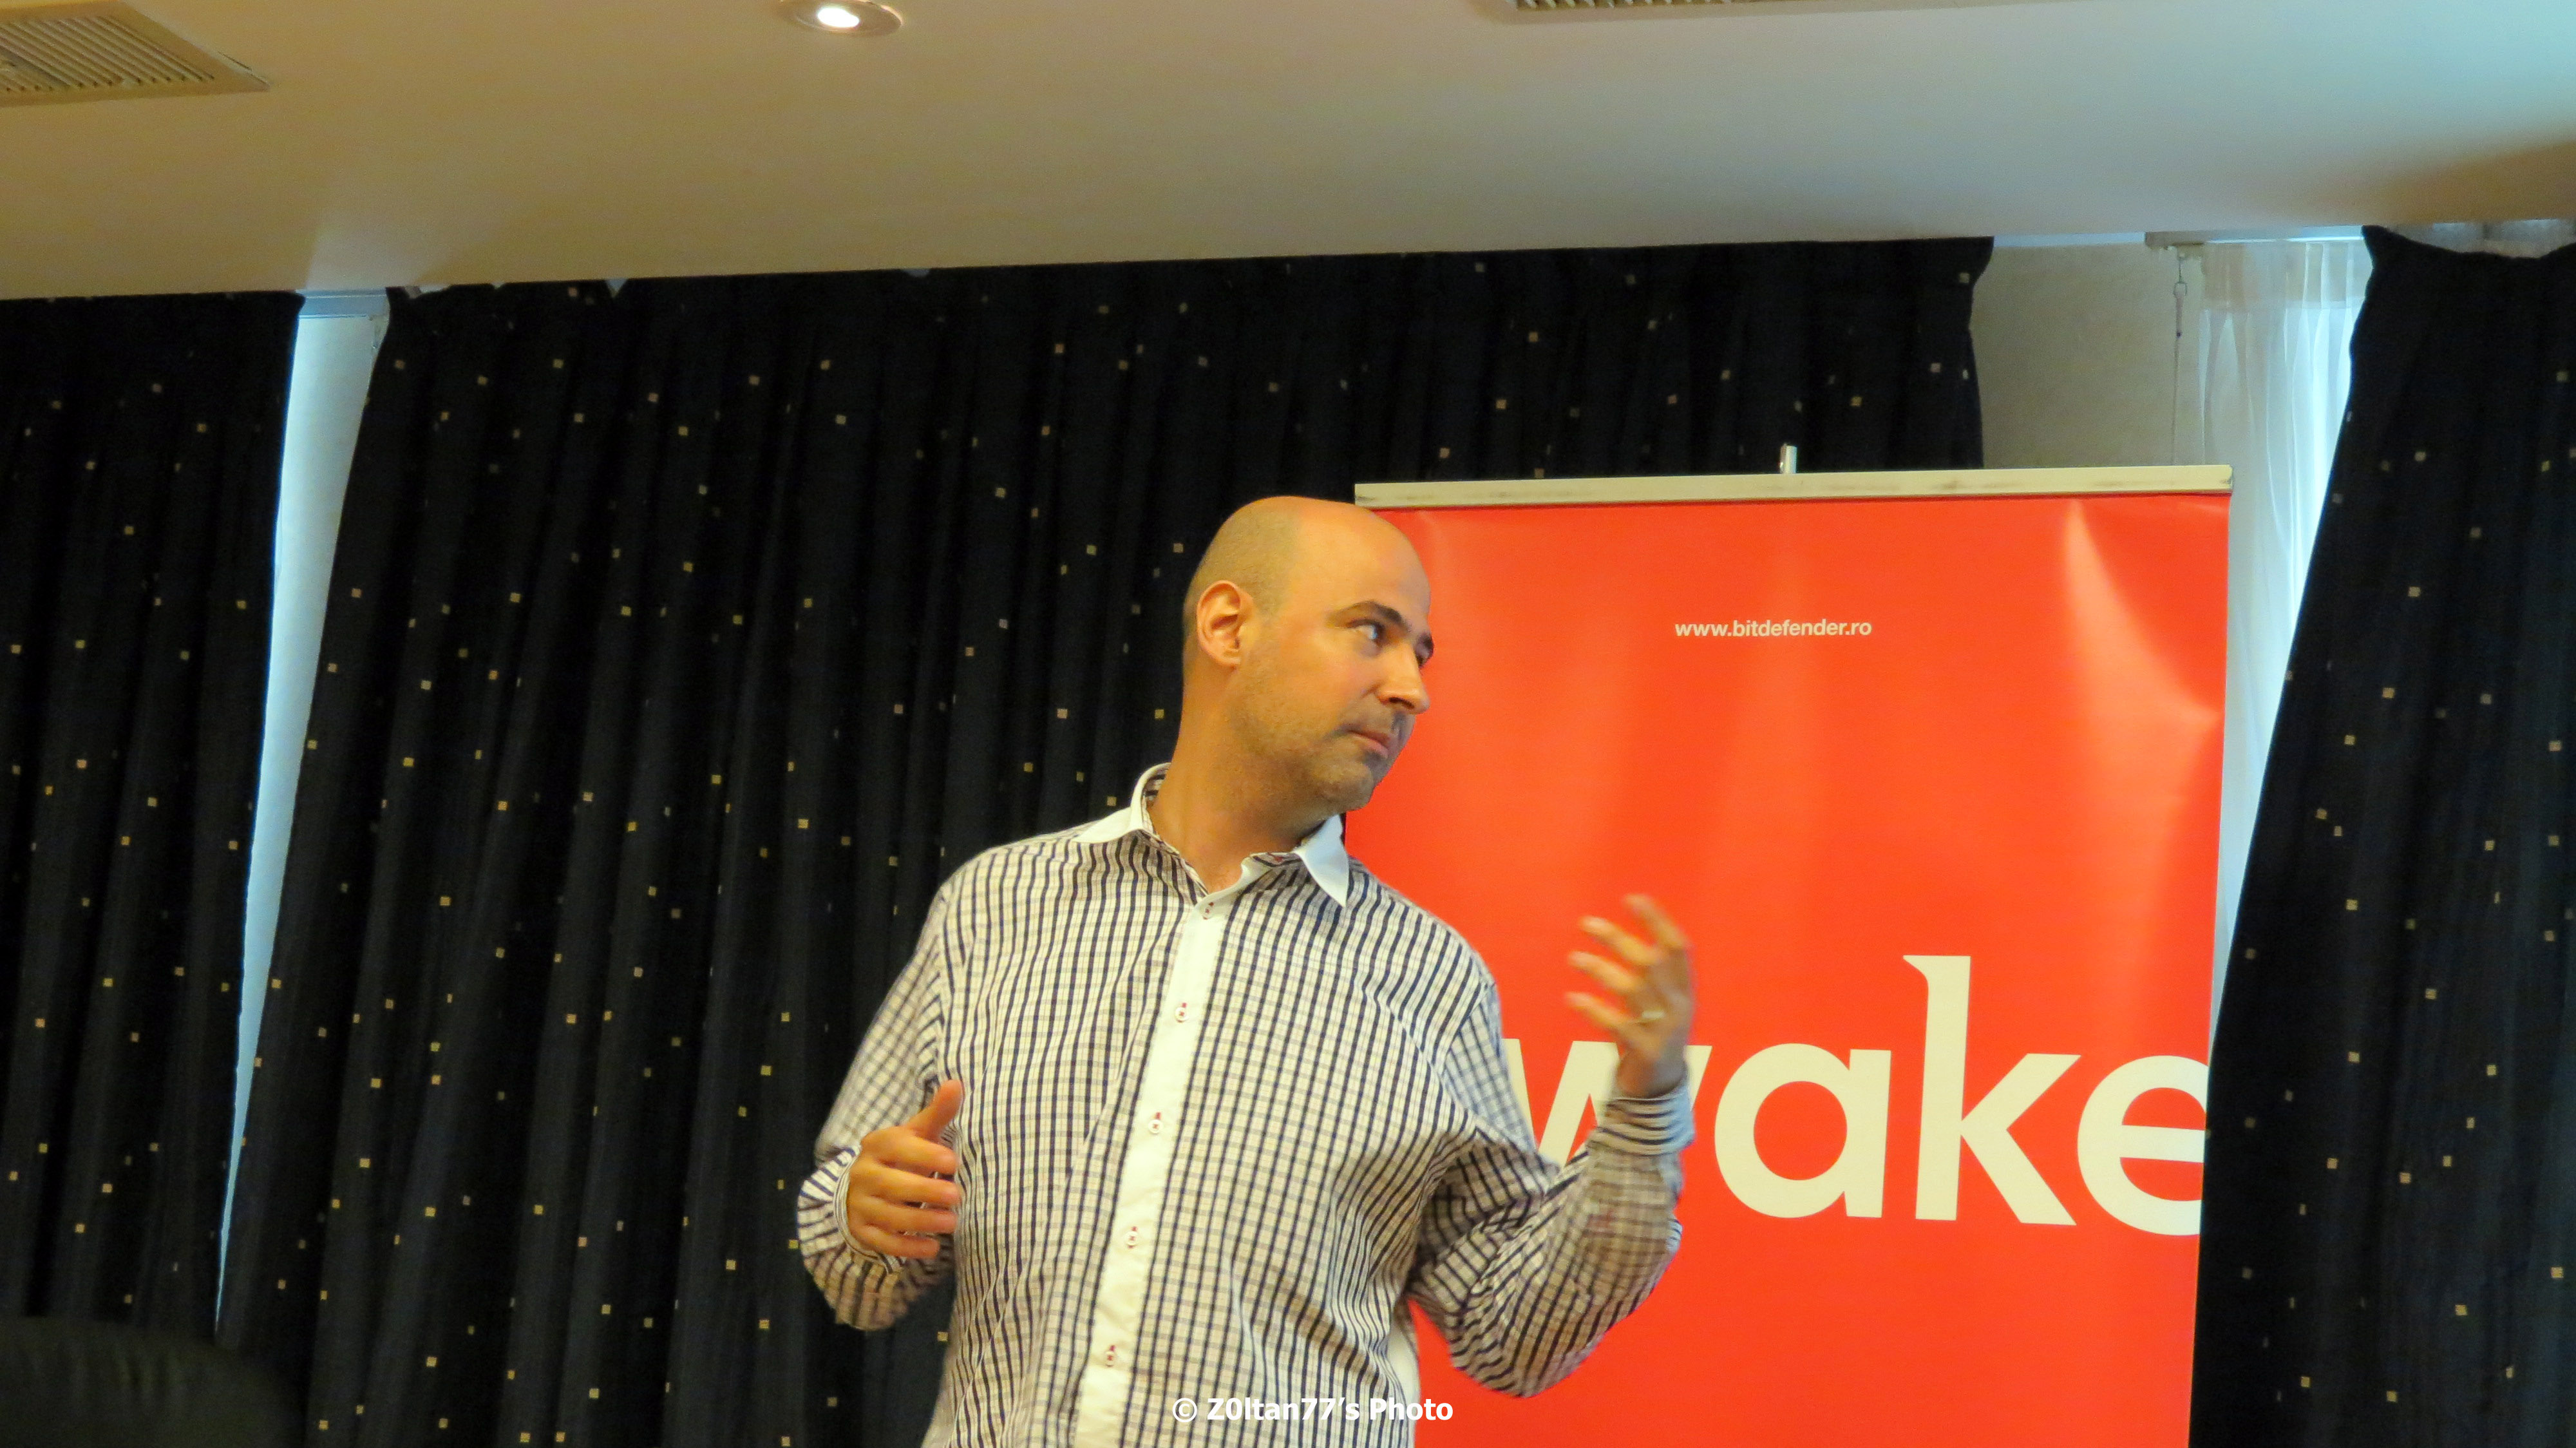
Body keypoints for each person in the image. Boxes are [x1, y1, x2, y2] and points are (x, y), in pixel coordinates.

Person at [797, 496, 1697, 1446]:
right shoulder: (996, 908)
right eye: (1373, 633)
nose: (1412, 689)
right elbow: (852, 1267)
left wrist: (1648, 1108)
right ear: (1229, 626)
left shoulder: (1431, 979)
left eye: (1421, 653)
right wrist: (866, 1213)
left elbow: (1515, 1332)